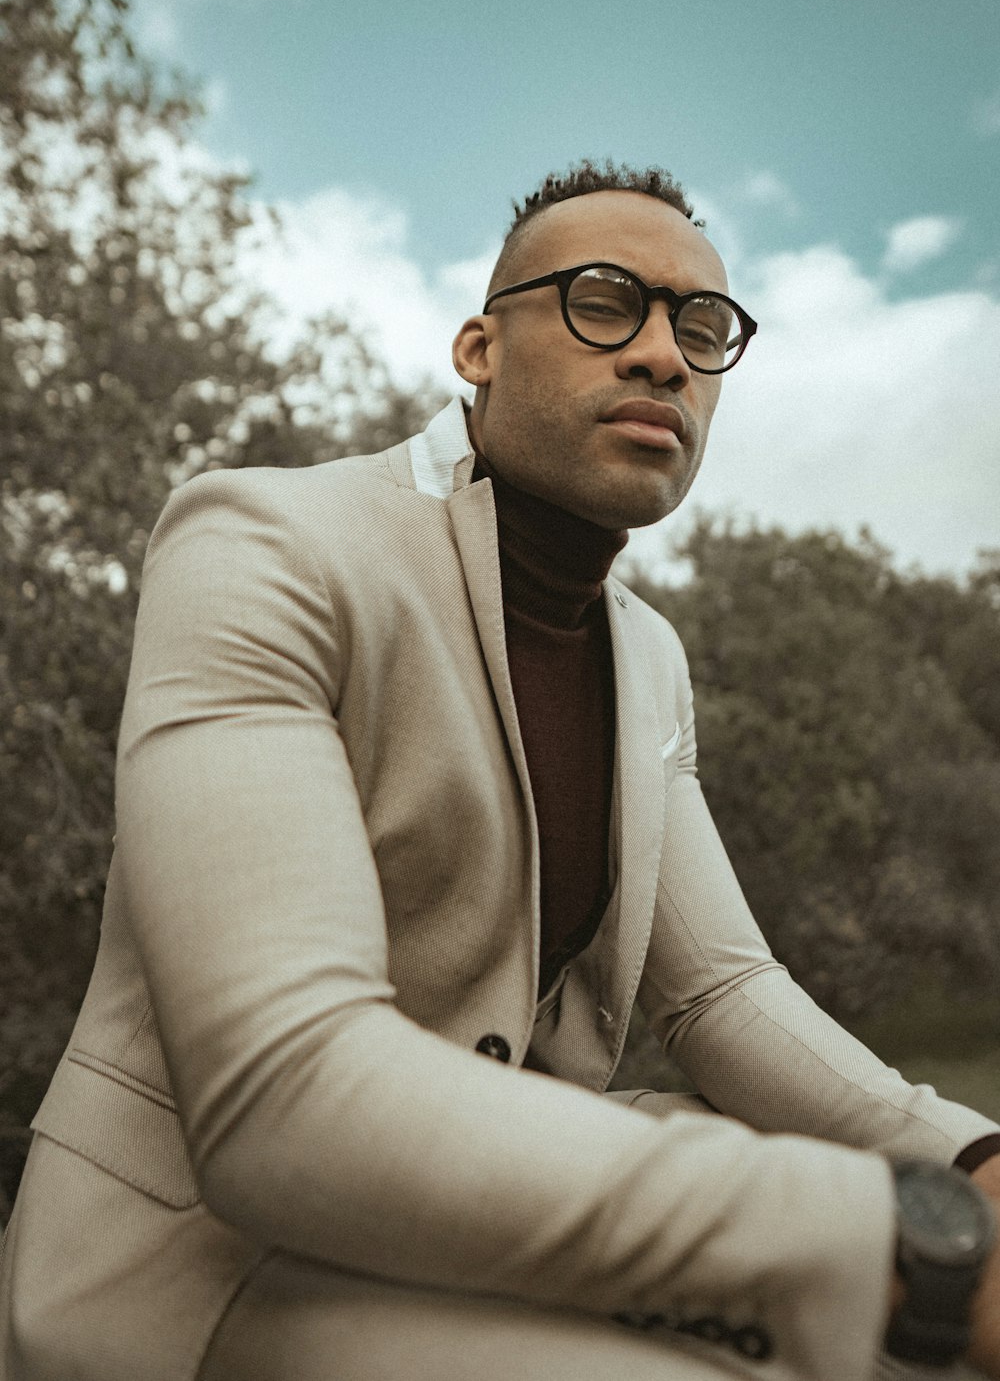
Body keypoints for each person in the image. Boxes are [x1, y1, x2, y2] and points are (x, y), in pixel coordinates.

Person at [1, 161, 998, 1381]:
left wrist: (966, 1167)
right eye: (601, 301)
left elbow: (721, 997)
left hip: (458, 1242)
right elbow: (279, 1093)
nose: (660, 356)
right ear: (479, 346)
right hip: (202, 1265)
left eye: (699, 328)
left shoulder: (648, 655)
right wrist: (889, 1241)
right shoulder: (263, 544)